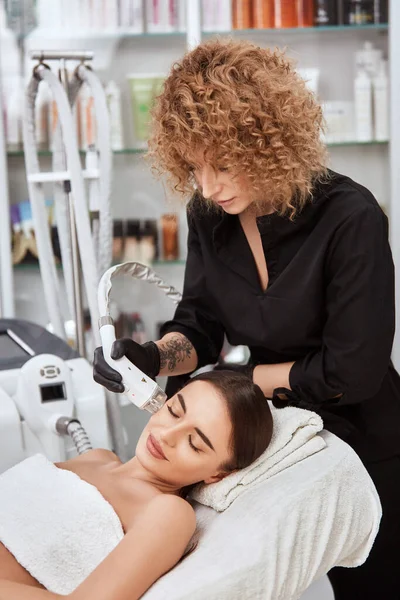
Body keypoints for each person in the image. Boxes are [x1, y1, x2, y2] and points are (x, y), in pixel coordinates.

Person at [93, 38, 400, 599]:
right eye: (194, 166)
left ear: (268, 142)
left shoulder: (350, 218)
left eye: (225, 164)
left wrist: (239, 383)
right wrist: (155, 356)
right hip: (267, 434)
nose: (208, 186)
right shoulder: (208, 215)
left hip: (367, 441)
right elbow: (200, 326)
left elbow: (353, 371)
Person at [0, 370, 272, 600]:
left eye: (194, 443)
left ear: (218, 475)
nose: (166, 434)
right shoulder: (98, 457)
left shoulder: (169, 513)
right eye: (174, 412)